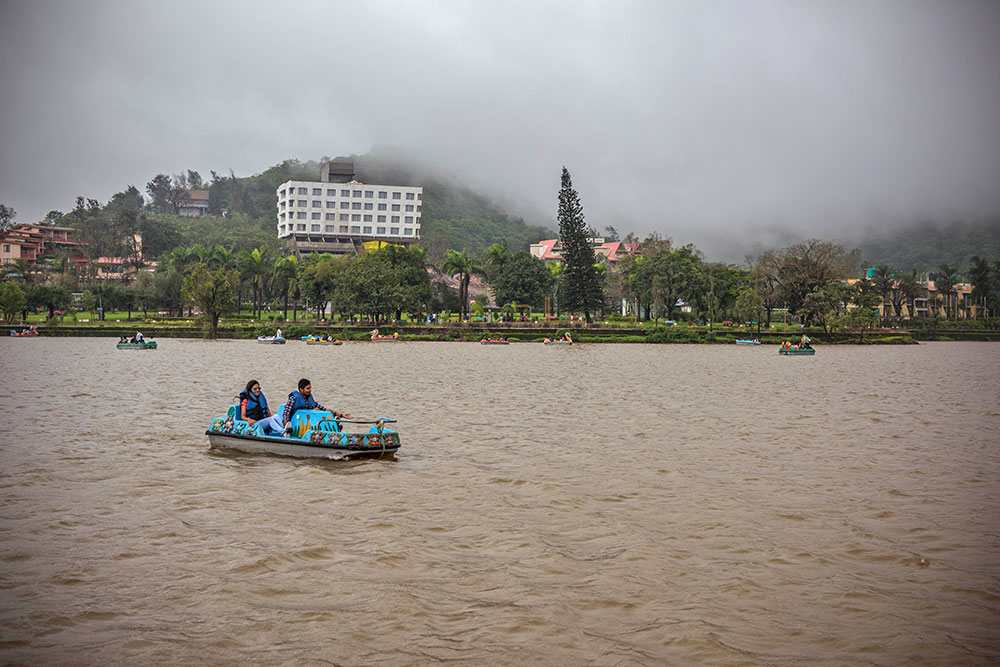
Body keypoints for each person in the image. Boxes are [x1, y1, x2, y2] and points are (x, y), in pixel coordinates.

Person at [280, 378, 352, 437]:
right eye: (307, 388)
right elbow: (286, 411)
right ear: (301, 390)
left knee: (329, 412)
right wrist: (285, 421)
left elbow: (322, 408)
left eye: (310, 388)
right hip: (297, 420)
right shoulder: (293, 398)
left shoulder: (309, 399)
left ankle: (333, 429)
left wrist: (341, 415)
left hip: (308, 420)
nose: (310, 390)